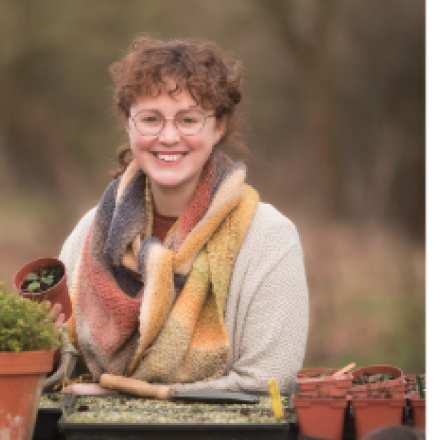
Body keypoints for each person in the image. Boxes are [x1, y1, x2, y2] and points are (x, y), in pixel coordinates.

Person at [43, 37, 309, 396]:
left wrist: (121, 396)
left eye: (188, 119)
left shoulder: (270, 238)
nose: (169, 137)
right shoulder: (91, 232)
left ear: (218, 127)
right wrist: (41, 345)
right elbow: (61, 371)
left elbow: (268, 381)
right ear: (129, 125)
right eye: (151, 119)